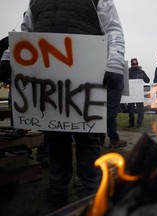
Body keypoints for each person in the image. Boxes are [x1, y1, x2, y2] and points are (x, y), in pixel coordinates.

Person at [0, 0, 126, 210]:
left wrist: (114, 62)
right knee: (56, 139)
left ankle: (91, 193)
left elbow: (113, 29)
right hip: (49, 85)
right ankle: (57, 192)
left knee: (88, 140)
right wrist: (8, 56)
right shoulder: (36, 1)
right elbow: (25, 31)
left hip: (85, 82)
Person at [127, 58, 150, 128]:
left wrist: (143, 77)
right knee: (130, 110)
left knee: (140, 110)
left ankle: (139, 123)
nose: (135, 65)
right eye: (134, 64)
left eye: (136, 64)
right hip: (131, 93)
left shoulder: (141, 71)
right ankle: (131, 123)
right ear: (131, 64)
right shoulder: (128, 72)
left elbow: (148, 80)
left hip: (139, 94)